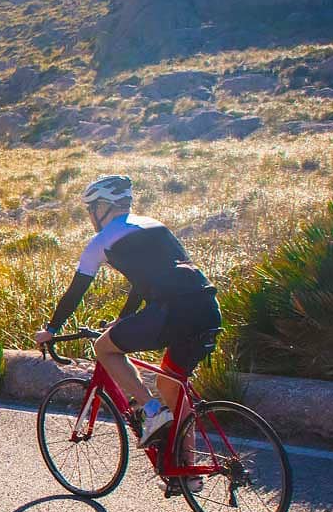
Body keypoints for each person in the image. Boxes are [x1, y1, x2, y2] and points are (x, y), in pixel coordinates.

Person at [33, 174, 221, 456]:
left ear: (102, 208)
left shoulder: (101, 241)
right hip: (208, 307)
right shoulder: (155, 225)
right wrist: (123, 319)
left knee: (104, 348)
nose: (90, 216)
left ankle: (151, 409)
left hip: (171, 312)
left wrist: (51, 328)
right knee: (171, 385)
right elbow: (149, 280)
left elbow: (75, 292)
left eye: (91, 209)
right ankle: (187, 469)